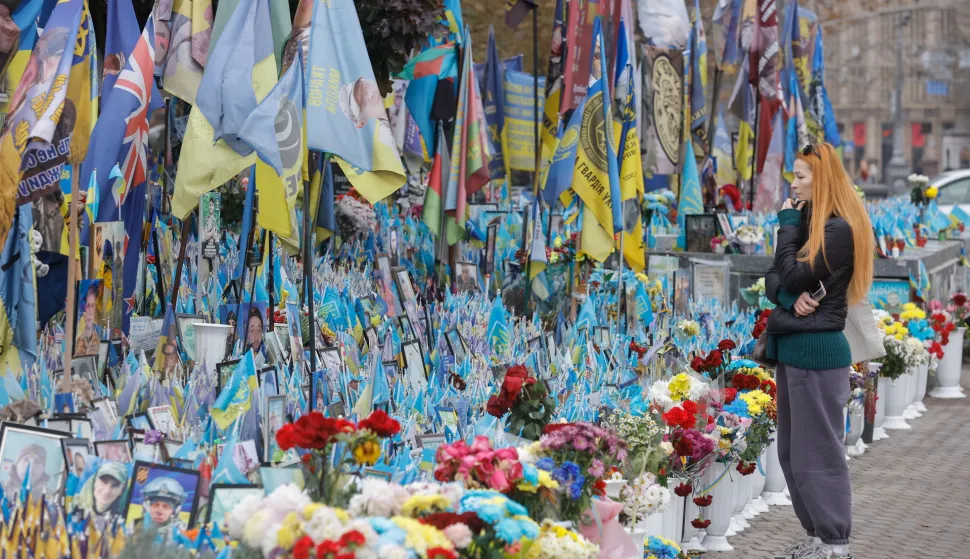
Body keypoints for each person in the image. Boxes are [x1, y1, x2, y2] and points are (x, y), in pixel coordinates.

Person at [764, 143, 873, 559]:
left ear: (822, 179)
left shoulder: (838, 229)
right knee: (791, 454)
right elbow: (775, 278)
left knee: (819, 455)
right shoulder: (810, 224)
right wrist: (789, 300)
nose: (792, 184)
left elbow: (789, 272)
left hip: (818, 350)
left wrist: (787, 225)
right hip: (795, 346)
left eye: (801, 177)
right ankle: (815, 535)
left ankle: (834, 543)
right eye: (793, 175)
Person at [75, 284, 101, 356]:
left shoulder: (100, 329)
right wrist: (88, 328)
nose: (90, 309)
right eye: (88, 305)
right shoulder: (79, 338)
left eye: (92, 305)